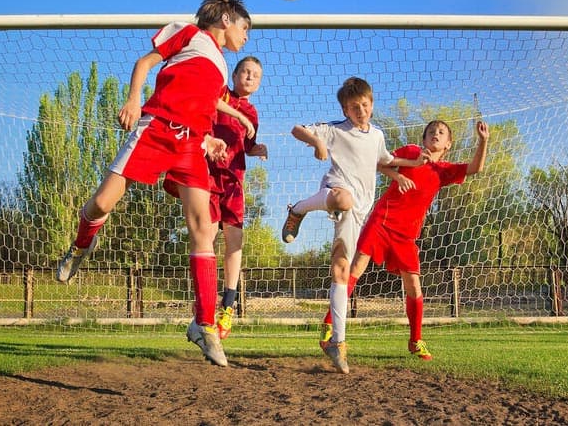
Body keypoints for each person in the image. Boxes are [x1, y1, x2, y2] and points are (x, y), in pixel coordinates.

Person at [55, 0, 252, 368]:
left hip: (192, 144)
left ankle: (205, 325)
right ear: (226, 19)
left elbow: (203, 105)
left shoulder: (223, 69)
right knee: (101, 204)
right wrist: (133, 99)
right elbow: (146, 62)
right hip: (156, 129)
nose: (246, 37)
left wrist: (209, 138)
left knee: (203, 228)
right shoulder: (190, 34)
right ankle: (81, 246)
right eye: (245, 28)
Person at [281, 77, 425, 374]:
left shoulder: (377, 136)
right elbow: (297, 129)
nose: (361, 110)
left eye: (365, 105)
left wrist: (411, 165)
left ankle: (338, 342)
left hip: (360, 211)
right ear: (345, 110)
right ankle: (297, 210)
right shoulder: (336, 129)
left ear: (371, 104)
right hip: (337, 190)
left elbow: (385, 159)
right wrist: (317, 141)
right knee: (343, 198)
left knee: (342, 270)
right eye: (354, 107)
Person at [340, 119, 489, 362]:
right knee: (356, 267)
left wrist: (483, 141)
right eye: (431, 131)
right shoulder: (412, 153)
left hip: (406, 235)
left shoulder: (443, 171)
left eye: (441, 133)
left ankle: (415, 340)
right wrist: (398, 177)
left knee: (414, 286)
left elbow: (475, 168)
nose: (435, 134)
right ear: (423, 139)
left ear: (448, 144)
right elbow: (379, 163)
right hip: (382, 220)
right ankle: (329, 326)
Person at [209, 56, 268, 339]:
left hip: (234, 181)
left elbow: (247, 145)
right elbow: (207, 106)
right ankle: (204, 306)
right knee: (205, 240)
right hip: (207, 177)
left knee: (235, 243)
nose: (249, 76)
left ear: (259, 83)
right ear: (233, 75)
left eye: (255, 75)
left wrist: (257, 150)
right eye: (245, 71)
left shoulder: (253, 112)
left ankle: (228, 307)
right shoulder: (219, 92)